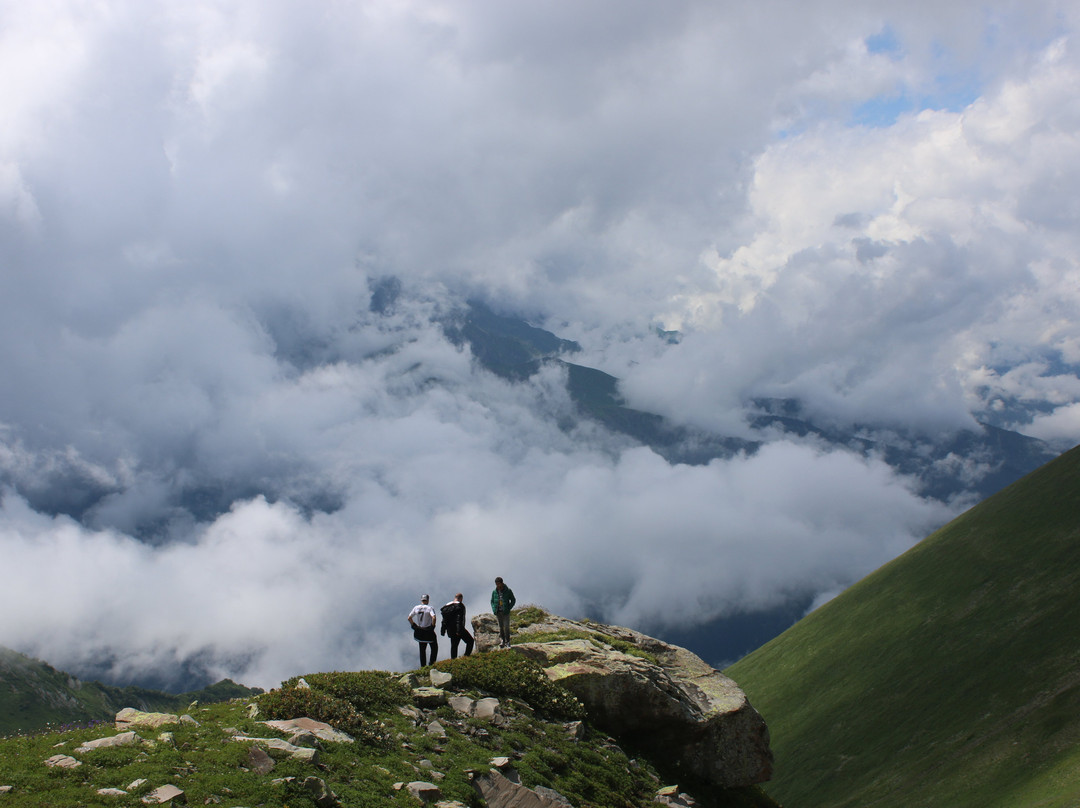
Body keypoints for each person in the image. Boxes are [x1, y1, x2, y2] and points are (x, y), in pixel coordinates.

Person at [440, 593, 474, 659]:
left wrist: (443, 630)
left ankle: (453, 660)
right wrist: (459, 630)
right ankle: (466, 656)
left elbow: (444, 620)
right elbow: (459, 619)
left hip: (450, 630)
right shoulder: (460, 606)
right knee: (470, 641)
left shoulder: (446, 607)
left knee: (454, 646)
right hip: (458, 629)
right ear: (461, 598)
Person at [407, 594, 438, 667]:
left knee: (422, 650)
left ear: (421, 600)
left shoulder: (416, 608)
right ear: (428, 600)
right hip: (428, 631)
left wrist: (414, 626)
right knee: (434, 648)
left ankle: (423, 666)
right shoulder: (430, 608)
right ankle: (431, 664)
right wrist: (432, 626)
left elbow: (409, 618)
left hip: (420, 631)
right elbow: (433, 617)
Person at [490, 576, 516, 648]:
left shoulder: (508, 591)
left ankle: (508, 641)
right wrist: (494, 609)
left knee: (506, 627)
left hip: (505, 612)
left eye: (498, 584)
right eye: (496, 584)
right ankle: (502, 641)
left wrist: (508, 608)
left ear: (502, 583)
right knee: (501, 627)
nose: (497, 586)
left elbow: (513, 600)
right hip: (498, 612)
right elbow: (492, 601)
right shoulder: (494, 592)